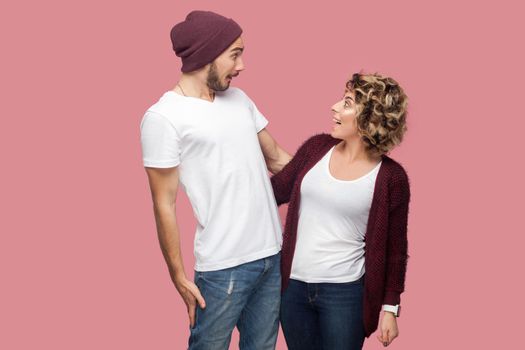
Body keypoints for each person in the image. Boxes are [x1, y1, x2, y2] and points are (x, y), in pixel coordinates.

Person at [140, 10, 291, 350]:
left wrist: (341, 169)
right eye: (235, 54)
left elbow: (278, 159)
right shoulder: (163, 118)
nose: (241, 66)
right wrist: (178, 275)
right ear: (206, 54)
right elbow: (163, 203)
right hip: (224, 268)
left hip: (271, 256)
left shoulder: (239, 100)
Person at [272, 73, 410, 349]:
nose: (334, 107)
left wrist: (390, 309)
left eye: (347, 103)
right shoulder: (317, 148)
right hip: (293, 288)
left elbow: (396, 250)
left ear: (370, 119)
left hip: (345, 295)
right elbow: (274, 191)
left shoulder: (391, 178)